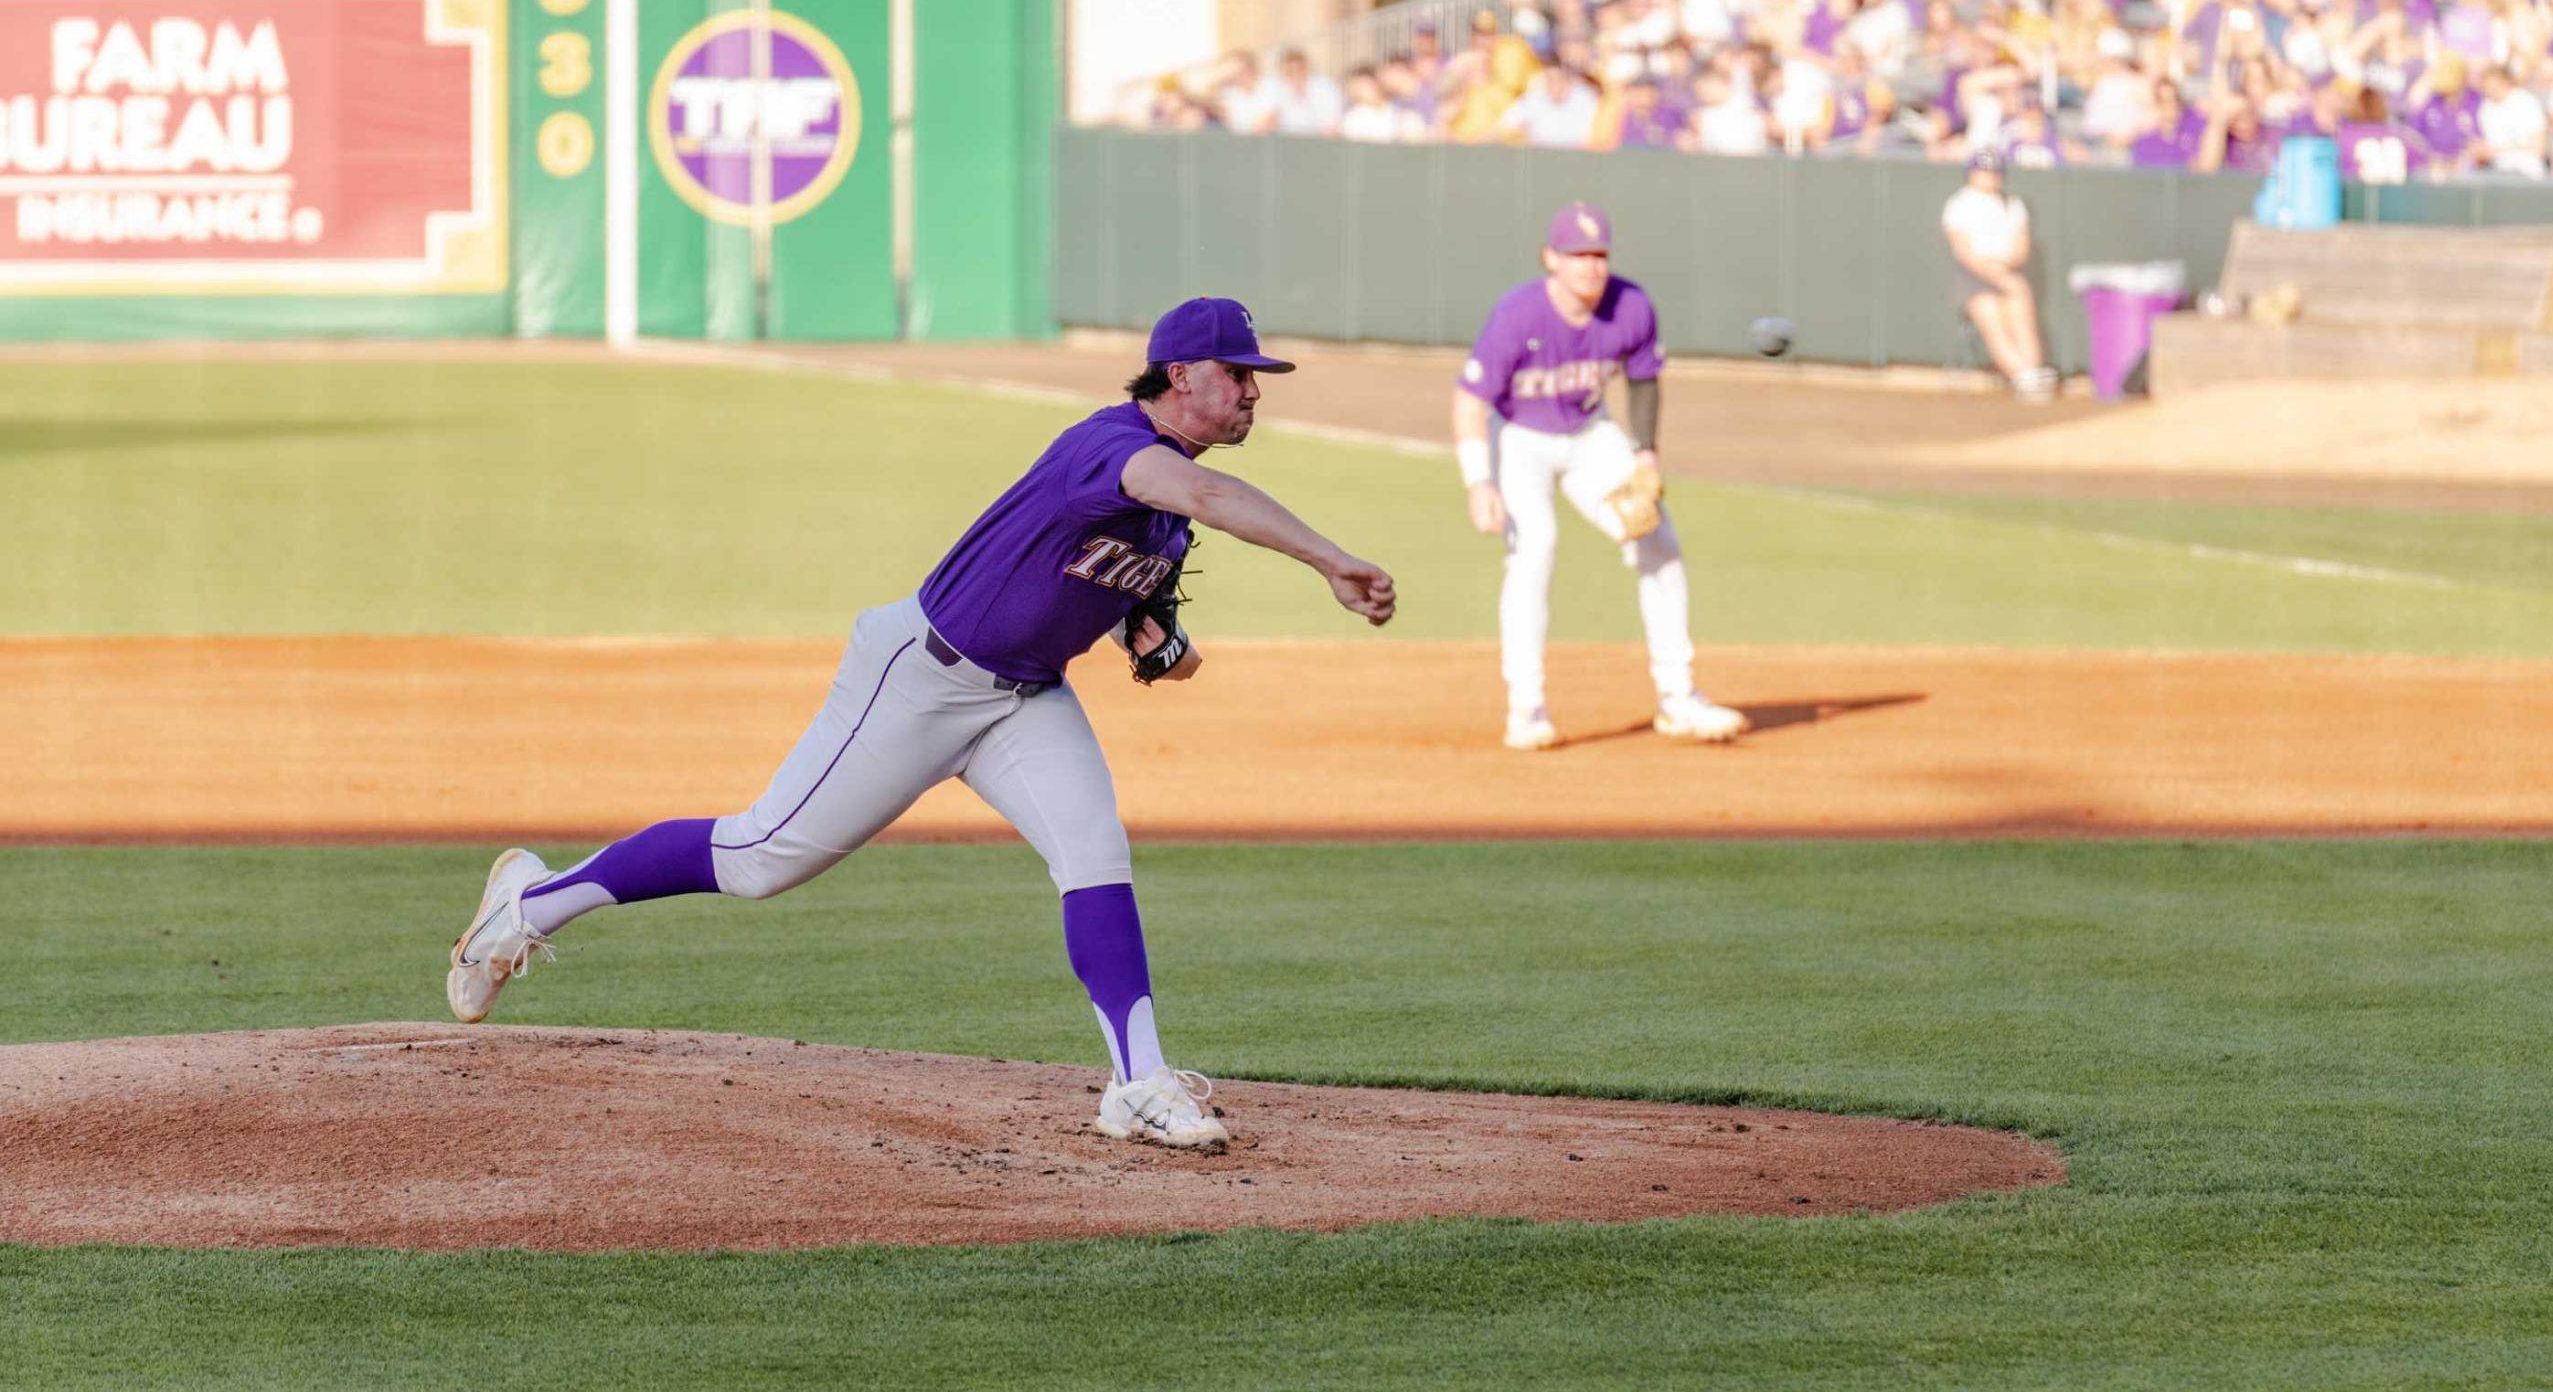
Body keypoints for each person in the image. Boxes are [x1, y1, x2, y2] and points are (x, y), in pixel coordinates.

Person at [446, 298, 1398, 1151]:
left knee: (1096, 855)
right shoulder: (1111, 448)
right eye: (1239, 376)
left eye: (1256, 381)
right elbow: (1208, 496)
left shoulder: (1164, 510)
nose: (1252, 395)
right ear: (1180, 375)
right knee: (758, 857)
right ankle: (527, 904)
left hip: (1024, 699)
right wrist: (1330, 560)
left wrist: (1146, 633)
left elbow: (1109, 585)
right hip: (920, 678)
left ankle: (1139, 1082)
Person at [1449, 204, 1745, 753]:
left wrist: (1647, 454)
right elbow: (1470, 404)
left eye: (1599, 254)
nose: (1590, 266)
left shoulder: (1631, 306)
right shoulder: (1518, 315)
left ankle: (1678, 698)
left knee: (1658, 539)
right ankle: (1526, 708)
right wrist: (1479, 482)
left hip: (1590, 435)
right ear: (1551, 259)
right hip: (1519, 439)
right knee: (1534, 550)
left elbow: (1644, 381)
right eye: (1578, 254)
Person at [1941, 152, 2057, 402]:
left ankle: (2031, 374)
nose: (1989, 177)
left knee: (2022, 321)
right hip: (1974, 277)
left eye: (1994, 172)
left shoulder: (2012, 204)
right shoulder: (1959, 204)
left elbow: (2020, 247)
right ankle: (2024, 377)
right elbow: (1965, 252)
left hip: (2007, 270)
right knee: (1994, 323)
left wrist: (2004, 272)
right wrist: (1998, 276)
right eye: (1983, 171)